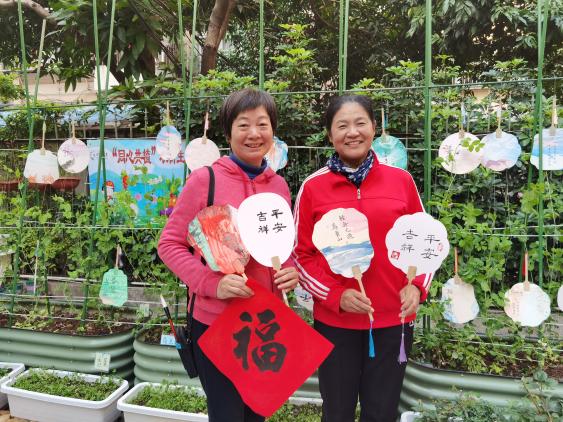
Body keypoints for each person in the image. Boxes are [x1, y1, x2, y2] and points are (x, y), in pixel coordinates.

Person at [158, 88, 299, 422]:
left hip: (265, 323)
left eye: (262, 124)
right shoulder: (204, 181)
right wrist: (212, 283)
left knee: (257, 413)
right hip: (216, 323)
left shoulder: (278, 186)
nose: (254, 134)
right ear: (228, 131)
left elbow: (283, 247)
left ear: (273, 130)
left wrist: (290, 269)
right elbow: (169, 244)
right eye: (243, 125)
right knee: (226, 415)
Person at [292, 95, 432, 422]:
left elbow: (426, 241)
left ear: (373, 127)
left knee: (382, 412)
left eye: (360, 123)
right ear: (330, 134)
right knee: (337, 411)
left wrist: (417, 286)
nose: (352, 132)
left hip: (393, 322)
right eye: (342, 125)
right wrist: (336, 295)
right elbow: (300, 255)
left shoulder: (401, 181)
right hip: (335, 324)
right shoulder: (313, 187)